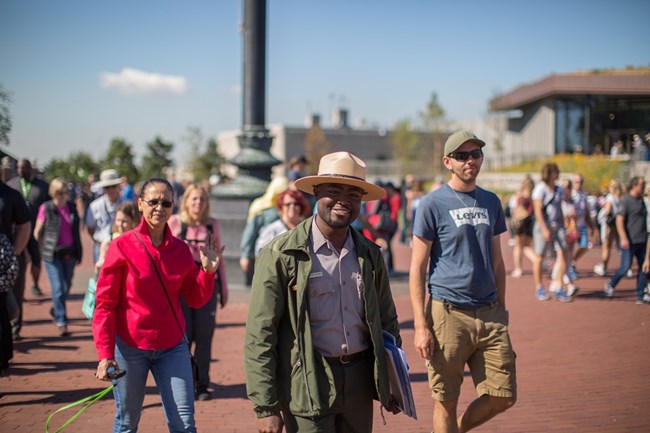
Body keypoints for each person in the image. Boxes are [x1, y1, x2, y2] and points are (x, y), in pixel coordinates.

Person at [245, 151, 402, 433]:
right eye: (334, 191)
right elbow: (260, 332)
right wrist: (266, 406)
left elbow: (387, 321)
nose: (344, 200)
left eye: (353, 194)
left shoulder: (370, 254)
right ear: (316, 193)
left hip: (359, 382)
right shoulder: (281, 254)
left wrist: (391, 379)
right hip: (306, 381)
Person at [92, 177, 222, 433]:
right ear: (140, 204)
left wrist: (207, 273)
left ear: (173, 207)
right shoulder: (122, 246)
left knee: (184, 424)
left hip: (172, 347)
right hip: (130, 348)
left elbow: (195, 298)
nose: (159, 208)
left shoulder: (181, 250)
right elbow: (105, 304)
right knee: (127, 422)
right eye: (153, 201)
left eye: (166, 203)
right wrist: (105, 355)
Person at [409, 130, 516, 433]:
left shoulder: (491, 202)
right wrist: (420, 325)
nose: (470, 161)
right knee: (446, 398)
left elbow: (497, 260)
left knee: (503, 395)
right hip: (448, 314)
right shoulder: (432, 204)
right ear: (448, 162)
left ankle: (456, 429)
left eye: (475, 154)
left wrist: (502, 310)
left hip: (490, 312)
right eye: (461, 156)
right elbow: (417, 267)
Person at [168, 184, 229, 402]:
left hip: (207, 282)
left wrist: (224, 287)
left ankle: (202, 383)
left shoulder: (212, 225)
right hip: (182, 286)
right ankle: (185, 381)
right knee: (185, 336)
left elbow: (218, 258)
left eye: (202, 199)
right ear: (186, 201)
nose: (198, 203)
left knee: (204, 336)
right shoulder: (175, 222)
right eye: (193, 199)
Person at [33, 178, 82, 336]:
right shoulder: (46, 208)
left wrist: (79, 251)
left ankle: (56, 308)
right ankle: (62, 321)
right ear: (53, 193)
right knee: (58, 288)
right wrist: (45, 247)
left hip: (70, 253)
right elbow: (37, 232)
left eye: (66, 192)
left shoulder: (72, 207)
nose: (63, 196)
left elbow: (76, 232)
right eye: (60, 193)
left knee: (66, 288)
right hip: (52, 255)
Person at [7, 159, 50, 298]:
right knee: (18, 260)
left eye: (24, 168)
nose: (21, 170)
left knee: (36, 259)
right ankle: (18, 289)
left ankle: (35, 284)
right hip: (16, 231)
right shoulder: (11, 185)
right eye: (18, 168)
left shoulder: (42, 186)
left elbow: (49, 207)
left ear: (30, 169)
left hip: (35, 230)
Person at [0, 177, 30, 373]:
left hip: (3, 260)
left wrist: (14, 254)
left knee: (5, 309)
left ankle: (3, 358)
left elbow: (24, 225)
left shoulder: (10, 195)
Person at [604, 176, 649, 304]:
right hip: (629, 241)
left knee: (644, 268)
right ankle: (611, 285)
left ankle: (640, 294)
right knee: (624, 268)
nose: (643, 187)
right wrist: (623, 238)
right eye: (642, 185)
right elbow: (619, 220)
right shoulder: (626, 201)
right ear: (634, 185)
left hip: (642, 240)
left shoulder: (641, 200)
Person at [531, 163, 572, 302]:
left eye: (556, 172)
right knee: (540, 255)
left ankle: (558, 285)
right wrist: (544, 228)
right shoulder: (540, 189)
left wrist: (564, 224)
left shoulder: (558, 189)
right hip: (544, 224)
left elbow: (559, 207)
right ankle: (539, 287)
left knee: (563, 251)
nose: (556, 174)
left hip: (557, 225)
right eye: (553, 172)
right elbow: (537, 210)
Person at [239, 176, 288, 284]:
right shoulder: (261, 207)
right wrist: (245, 255)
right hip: (264, 253)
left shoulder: (288, 206)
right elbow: (250, 233)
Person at [254, 188, 311, 256]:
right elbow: (260, 254)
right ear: (281, 207)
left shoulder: (308, 228)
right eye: (288, 204)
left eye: (296, 204)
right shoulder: (272, 230)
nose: (292, 207)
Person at [85, 169, 125, 263]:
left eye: (113, 186)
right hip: (101, 246)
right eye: (107, 187)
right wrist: (100, 240)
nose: (111, 190)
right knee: (101, 276)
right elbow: (90, 228)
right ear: (103, 188)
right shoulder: (94, 206)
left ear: (118, 186)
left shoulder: (127, 204)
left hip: (123, 246)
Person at [94, 202, 140, 273]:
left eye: (124, 221)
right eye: (118, 220)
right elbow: (99, 268)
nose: (120, 225)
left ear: (134, 222)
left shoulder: (139, 242)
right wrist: (101, 265)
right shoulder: (108, 241)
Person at [593, 180, 624, 276]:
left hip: (608, 225)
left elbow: (607, 211)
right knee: (615, 246)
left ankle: (604, 267)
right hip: (615, 224)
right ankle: (626, 266)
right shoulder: (619, 198)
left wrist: (601, 216)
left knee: (606, 247)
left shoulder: (610, 197)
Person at [509, 175, 536, 278]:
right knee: (526, 246)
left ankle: (518, 268)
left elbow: (515, 209)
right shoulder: (534, 195)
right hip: (531, 221)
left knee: (518, 246)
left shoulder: (520, 196)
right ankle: (536, 259)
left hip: (521, 221)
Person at [568, 173, 593, 279]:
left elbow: (586, 210)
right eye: (577, 182)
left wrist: (591, 225)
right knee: (570, 249)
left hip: (582, 225)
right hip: (572, 226)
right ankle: (569, 268)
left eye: (581, 182)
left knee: (585, 246)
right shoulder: (570, 194)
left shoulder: (583, 194)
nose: (579, 184)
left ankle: (572, 262)